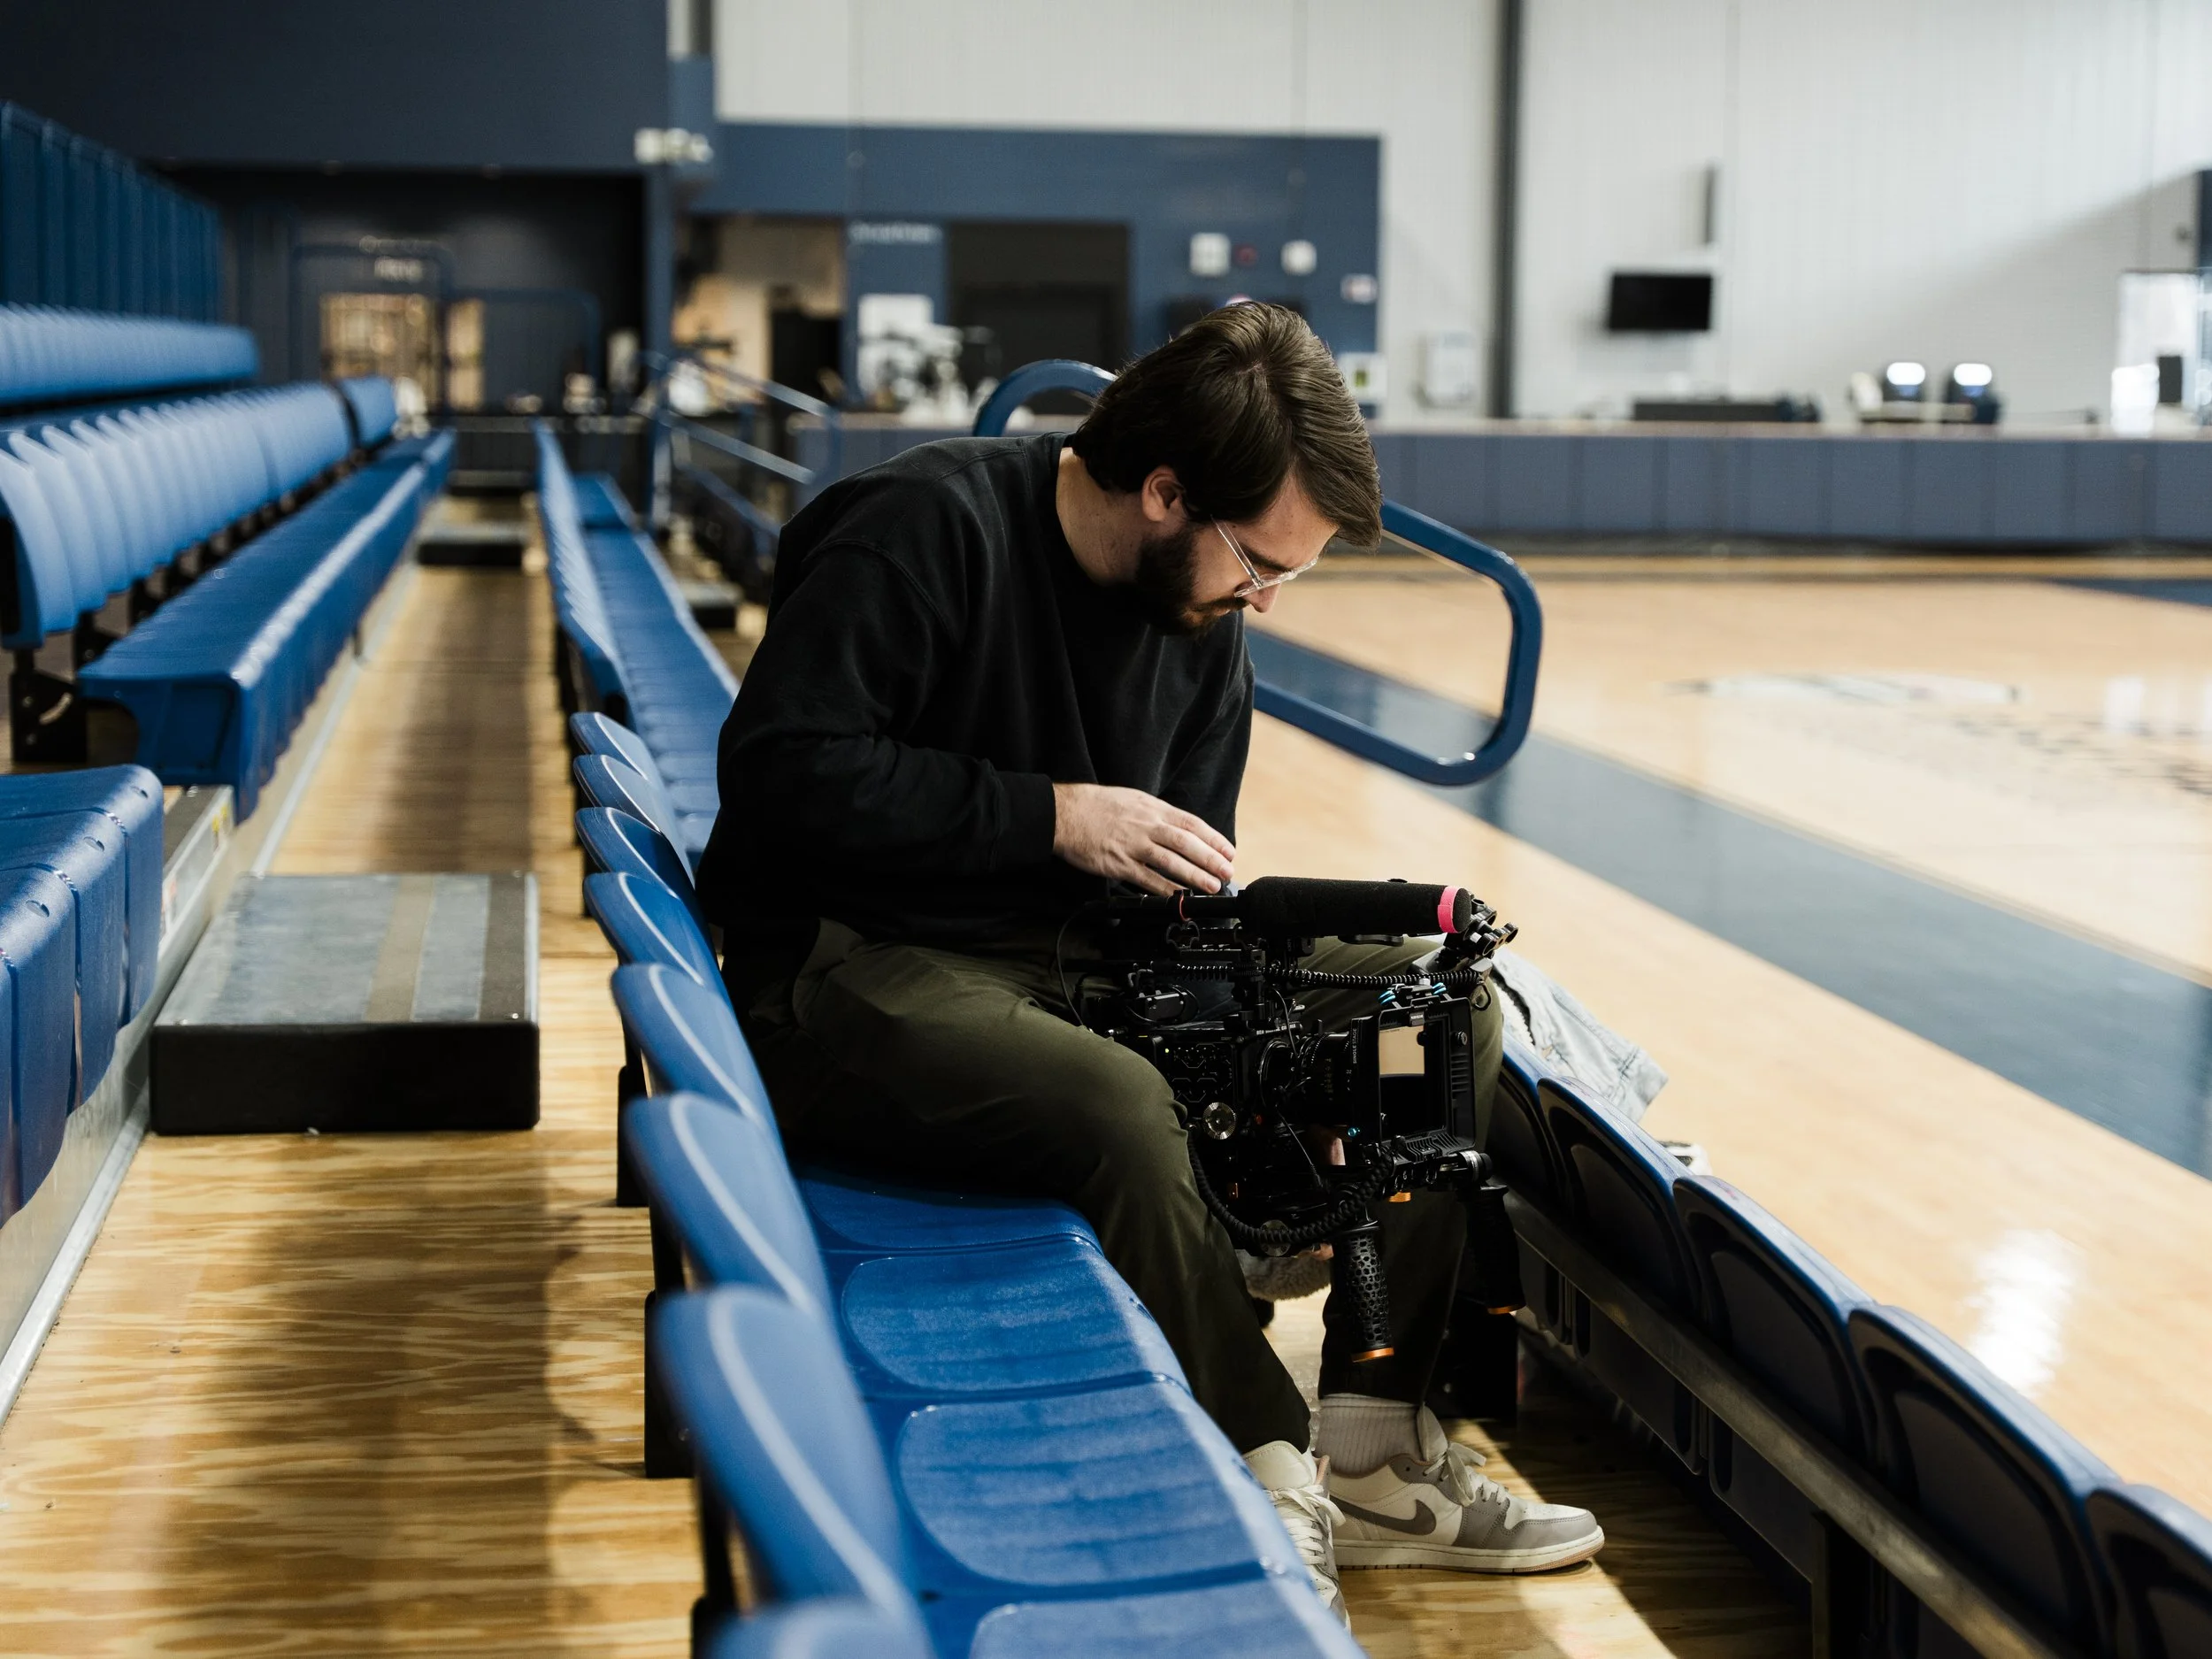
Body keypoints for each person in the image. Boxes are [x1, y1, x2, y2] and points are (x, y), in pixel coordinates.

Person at [695, 303, 1602, 1623]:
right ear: (1164, 490)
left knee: (1431, 1001)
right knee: (1112, 1105)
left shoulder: (1201, 619)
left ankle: (1369, 1448)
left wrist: (1297, 1063)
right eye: (1260, 561)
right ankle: (1261, 1462)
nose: (1268, 598)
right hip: (850, 963)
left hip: (1074, 965)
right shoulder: (917, 528)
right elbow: (781, 776)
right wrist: (1054, 812)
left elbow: (1187, 879)